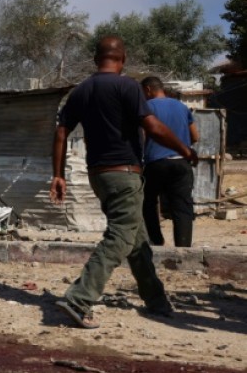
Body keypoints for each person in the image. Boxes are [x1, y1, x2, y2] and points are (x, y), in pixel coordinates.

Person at [50, 36, 198, 329]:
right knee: (120, 235)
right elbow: (152, 126)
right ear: (123, 58)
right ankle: (79, 299)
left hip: (98, 175)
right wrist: (184, 149)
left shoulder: (80, 91)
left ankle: (156, 301)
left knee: (137, 238)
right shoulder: (127, 86)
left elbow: (60, 134)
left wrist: (58, 175)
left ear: (96, 59)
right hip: (124, 174)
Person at [140, 76, 199, 248]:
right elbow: (195, 136)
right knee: (182, 207)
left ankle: (156, 241)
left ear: (148, 90)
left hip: (155, 163)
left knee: (148, 202)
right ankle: (183, 248)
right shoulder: (181, 106)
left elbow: (142, 137)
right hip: (181, 163)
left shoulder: (146, 107)